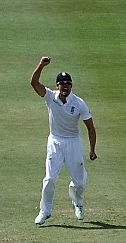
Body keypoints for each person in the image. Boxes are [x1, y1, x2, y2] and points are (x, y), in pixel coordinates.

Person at [30, 57, 97, 225]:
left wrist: (92, 149)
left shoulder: (79, 103)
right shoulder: (50, 97)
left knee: (79, 181)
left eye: (68, 83)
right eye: (62, 83)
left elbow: (90, 127)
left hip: (73, 142)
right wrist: (41, 65)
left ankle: (78, 202)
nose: (65, 86)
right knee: (50, 178)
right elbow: (34, 83)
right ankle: (45, 211)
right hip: (55, 142)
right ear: (57, 86)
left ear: (71, 86)